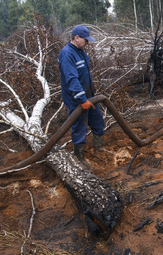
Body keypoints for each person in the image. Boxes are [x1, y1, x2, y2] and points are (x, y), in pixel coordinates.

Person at [58, 25, 104, 164]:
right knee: (79, 127)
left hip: (89, 96)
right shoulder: (67, 54)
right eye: (86, 39)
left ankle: (98, 148)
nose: (88, 43)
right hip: (76, 99)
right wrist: (82, 99)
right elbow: (71, 79)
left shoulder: (80, 52)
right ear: (76, 38)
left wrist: (88, 96)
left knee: (98, 121)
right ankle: (79, 157)